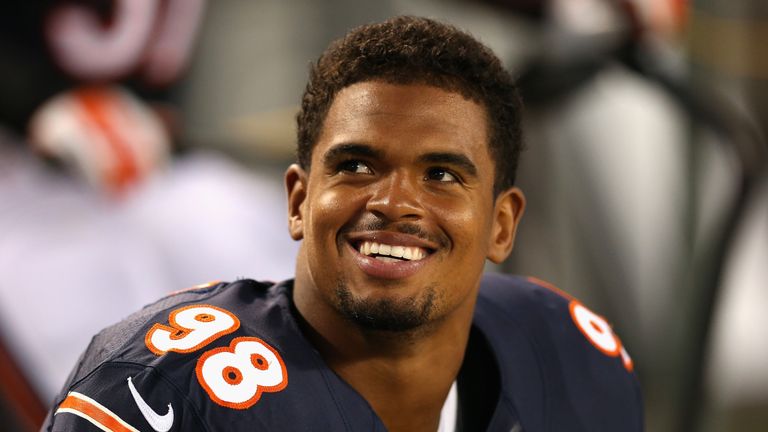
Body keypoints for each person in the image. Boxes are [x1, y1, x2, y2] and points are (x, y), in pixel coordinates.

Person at [42, 16, 643, 432]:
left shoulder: (568, 356)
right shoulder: (160, 392)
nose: (393, 202)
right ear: (300, 200)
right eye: (356, 165)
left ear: (502, 224)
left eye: (441, 175)